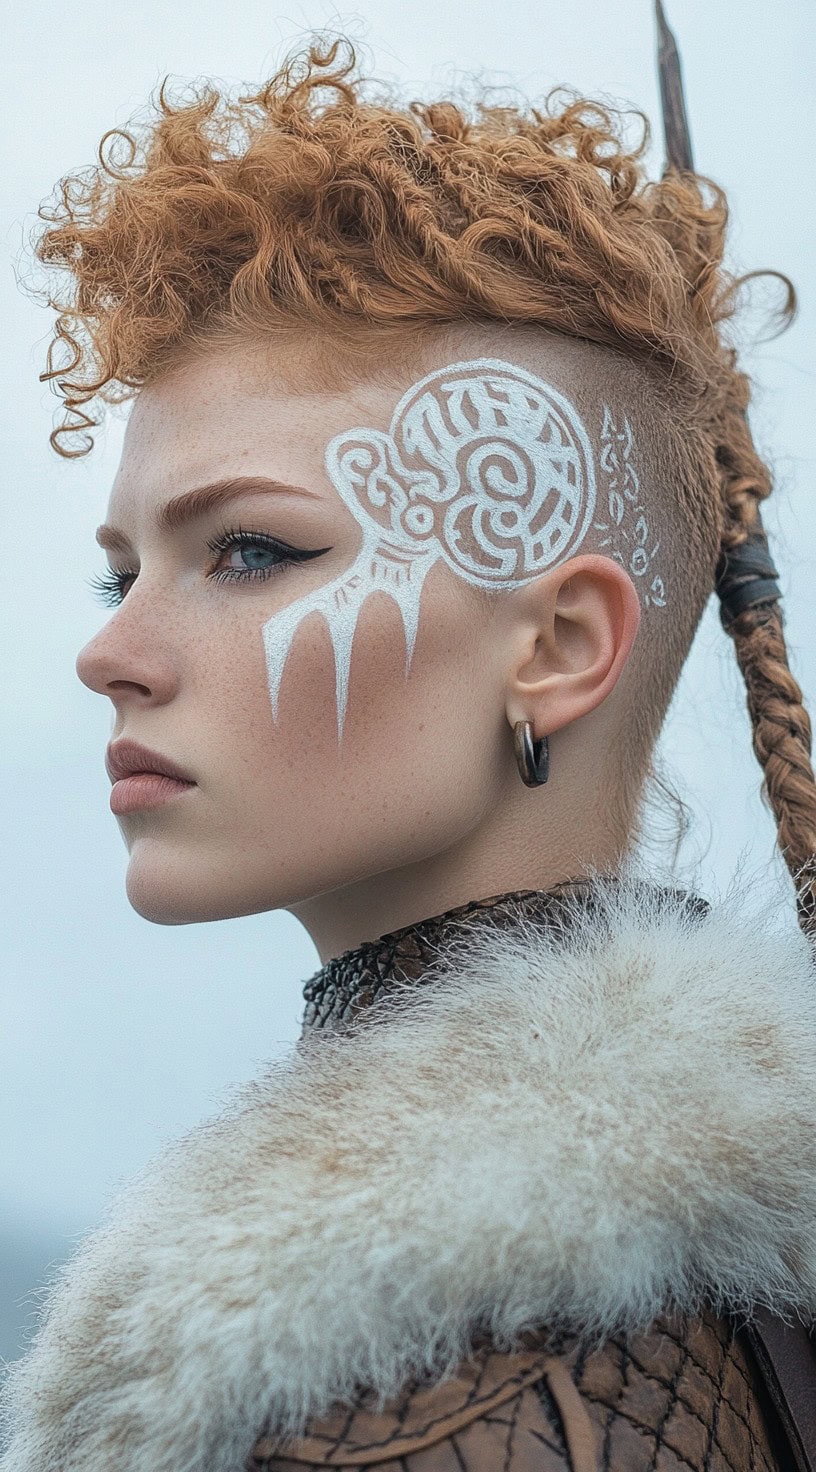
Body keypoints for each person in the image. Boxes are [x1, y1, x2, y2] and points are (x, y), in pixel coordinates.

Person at [2, 18, 816, 1472]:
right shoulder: (667, 1293)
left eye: (251, 551)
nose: (111, 652)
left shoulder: (463, 1399)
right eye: (122, 573)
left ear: (558, 648)